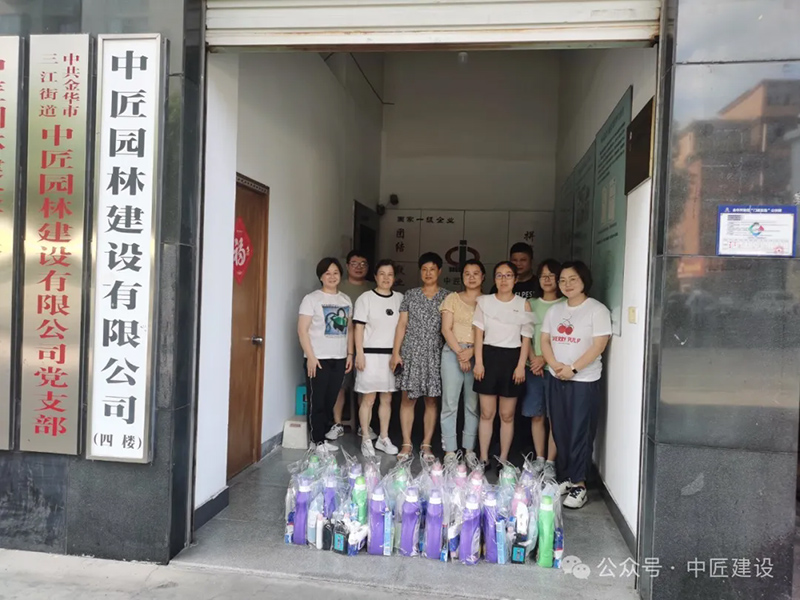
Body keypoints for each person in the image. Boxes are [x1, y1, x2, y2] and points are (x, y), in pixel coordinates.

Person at [541, 260, 611, 510]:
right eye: (562, 280)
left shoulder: (597, 310)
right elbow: (545, 340)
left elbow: (599, 345)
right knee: (560, 429)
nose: (567, 284)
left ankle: (580, 484)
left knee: (580, 431)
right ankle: (567, 478)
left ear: (584, 281)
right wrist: (555, 365)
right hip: (556, 377)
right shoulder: (555, 311)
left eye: (573, 279)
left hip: (583, 380)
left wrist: (573, 368)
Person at [473, 262, 534, 470]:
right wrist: (479, 362)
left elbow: (526, 338)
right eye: (499, 275)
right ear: (494, 279)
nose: (504, 279)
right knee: (486, 413)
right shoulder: (484, 302)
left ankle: (503, 458)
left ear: (515, 279)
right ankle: (483, 458)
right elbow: (478, 335)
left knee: (507, 415)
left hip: (513, 360)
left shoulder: (523, 304)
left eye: (508, 275)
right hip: (488, 358)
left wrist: (521, 365)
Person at [391, 252, 449, 460]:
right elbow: (402, 325)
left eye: (432, 269)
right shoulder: (410, 294)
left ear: (439, 271)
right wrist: (396, 353)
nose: (428, 273)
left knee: (431, 401)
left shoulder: (448, 296)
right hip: (411, 353)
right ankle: (406, 443)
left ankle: (426, 445)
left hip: (435, 353)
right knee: (408, 399)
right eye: (424, 269)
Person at [297, 257, 354, 450]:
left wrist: (350, 354)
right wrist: (311, 357)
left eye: (335, 273)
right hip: (318, 359)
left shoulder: (345, 300)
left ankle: (321, 437)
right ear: (321, 276)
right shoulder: (311, 299)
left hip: (339, 358)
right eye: (327, 273)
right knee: (317, 401)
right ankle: (317, 441)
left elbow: (349, 329)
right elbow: (302, 330)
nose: (332, 276)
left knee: (330, 399)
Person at [353, 260, 402, 457]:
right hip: (369, 355)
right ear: (375, 276)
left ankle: (383, 437)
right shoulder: (365, 298)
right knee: (369, 398)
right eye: (382, 274)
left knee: (387, 398)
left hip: (391, 356)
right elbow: (358, 328)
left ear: (394, 277)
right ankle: (366, 437)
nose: (386, 278)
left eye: (390, 274)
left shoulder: (400, 298)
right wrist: (359, 353)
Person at [439, 259, 485, 466]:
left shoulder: (488, 301)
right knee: (449, 403)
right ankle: (449, 451)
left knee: (473, 404)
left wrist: (471, 352)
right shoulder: (452, 299)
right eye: (467, 273)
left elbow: (489, 332)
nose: (471, 277)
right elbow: (446, 329)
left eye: (476, 273)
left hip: (478, 354)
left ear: (483, 277)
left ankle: (469, 449)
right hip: (452, 352)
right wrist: (460, 353)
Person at [524, 259, 565, 480]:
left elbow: (566, 340)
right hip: (534, 369)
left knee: (555, 417)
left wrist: (545, 359)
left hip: (556, 369)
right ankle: (540, 458)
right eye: (543, 276)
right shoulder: (530, 303)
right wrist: (533, 359)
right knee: (537, 415)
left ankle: (550, 461)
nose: (547, 280)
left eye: (551, 275)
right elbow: (525, 335)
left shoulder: (566, 304)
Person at [329, 250, 376, 442]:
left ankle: (364, 427)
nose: (359, 267)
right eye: (354, 263)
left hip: (367, 345)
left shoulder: (374, 287)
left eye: (363, 263)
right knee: (340, 385)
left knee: (364, 386)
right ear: (347, 266)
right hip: (341, 344)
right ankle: (337, 423)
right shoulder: (337, 286)